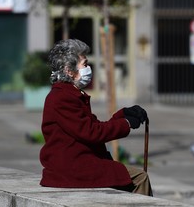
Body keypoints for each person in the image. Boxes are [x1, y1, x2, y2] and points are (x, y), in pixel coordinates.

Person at [40, 39, 153, 196]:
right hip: (73, 168)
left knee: (124, 176)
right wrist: (126, 123)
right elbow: (92, 132)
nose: (88, 68)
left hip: (77, 164)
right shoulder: (62, 97)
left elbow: (92, 127)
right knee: (140, 177)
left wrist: (123, 114)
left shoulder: (68, 94)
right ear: (69, 70)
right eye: (84, 64)